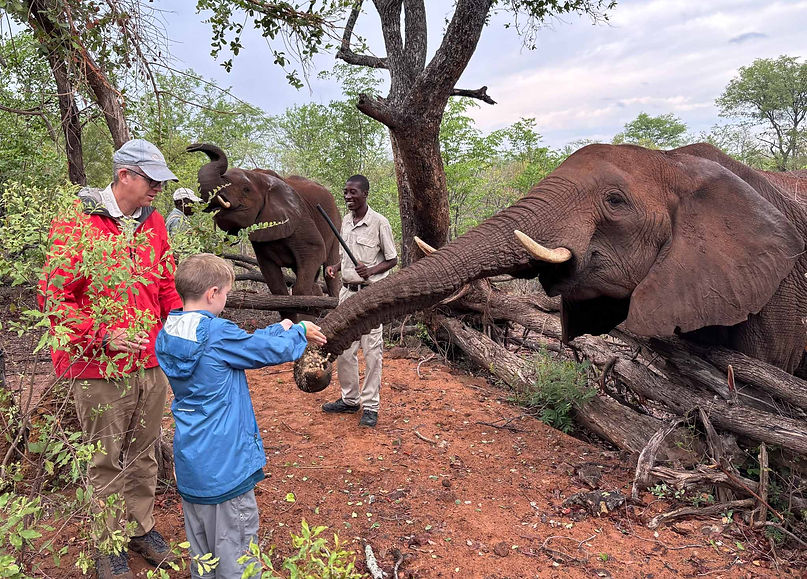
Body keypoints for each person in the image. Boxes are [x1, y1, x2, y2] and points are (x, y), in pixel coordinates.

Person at [39, 139, 183, 578]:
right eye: (152, 179)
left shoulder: (154, 221)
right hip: (98, 368)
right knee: (104, 457)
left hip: (149, 363)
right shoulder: (77, 222)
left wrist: (180, 325)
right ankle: (108, 542)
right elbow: (55, 298)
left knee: (144, 454)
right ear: (125, 176)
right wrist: (103, 335)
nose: (159, 187)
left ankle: (140, 528)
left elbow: (165, 284)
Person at [154, 253, 326, 579]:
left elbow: (244, 345)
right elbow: (260, 351)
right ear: (212, 293)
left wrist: (280, 327)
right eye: (226, 293)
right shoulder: (216, 333)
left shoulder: (169, 332)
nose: (226, 299)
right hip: (226, 471)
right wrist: (299, 330)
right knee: (238, 559)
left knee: (203, 557)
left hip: (193, 470)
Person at [323, 175, 397, 428]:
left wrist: (373, 270)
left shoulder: (379, 223)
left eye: (353, 192)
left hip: (370, 295)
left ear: (365, 193)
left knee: (372, 350)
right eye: (346, 192)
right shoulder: (345, 221)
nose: (348, 197)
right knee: (344, 348)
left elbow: (392, 260)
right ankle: (350, 399)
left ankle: (371, 406)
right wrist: (335, 266)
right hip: (346, 293)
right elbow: (345, 255)